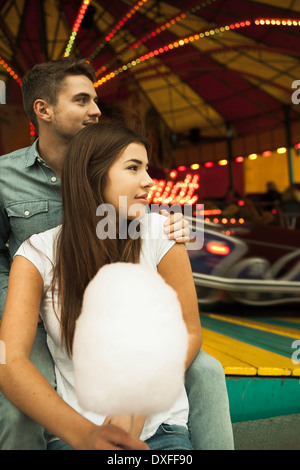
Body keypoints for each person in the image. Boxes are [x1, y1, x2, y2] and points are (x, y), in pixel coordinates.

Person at [0, 58, 233, 450]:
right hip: (38, 312)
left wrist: (170, 226)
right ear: (44, 109)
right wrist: (21, 297)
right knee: (17, 405)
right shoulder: (13, 190)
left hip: (145, 407)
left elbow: (188, 329)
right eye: (81, 100)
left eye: (95, 100)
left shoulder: (145, 221)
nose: (94, 110)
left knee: (208, 372)